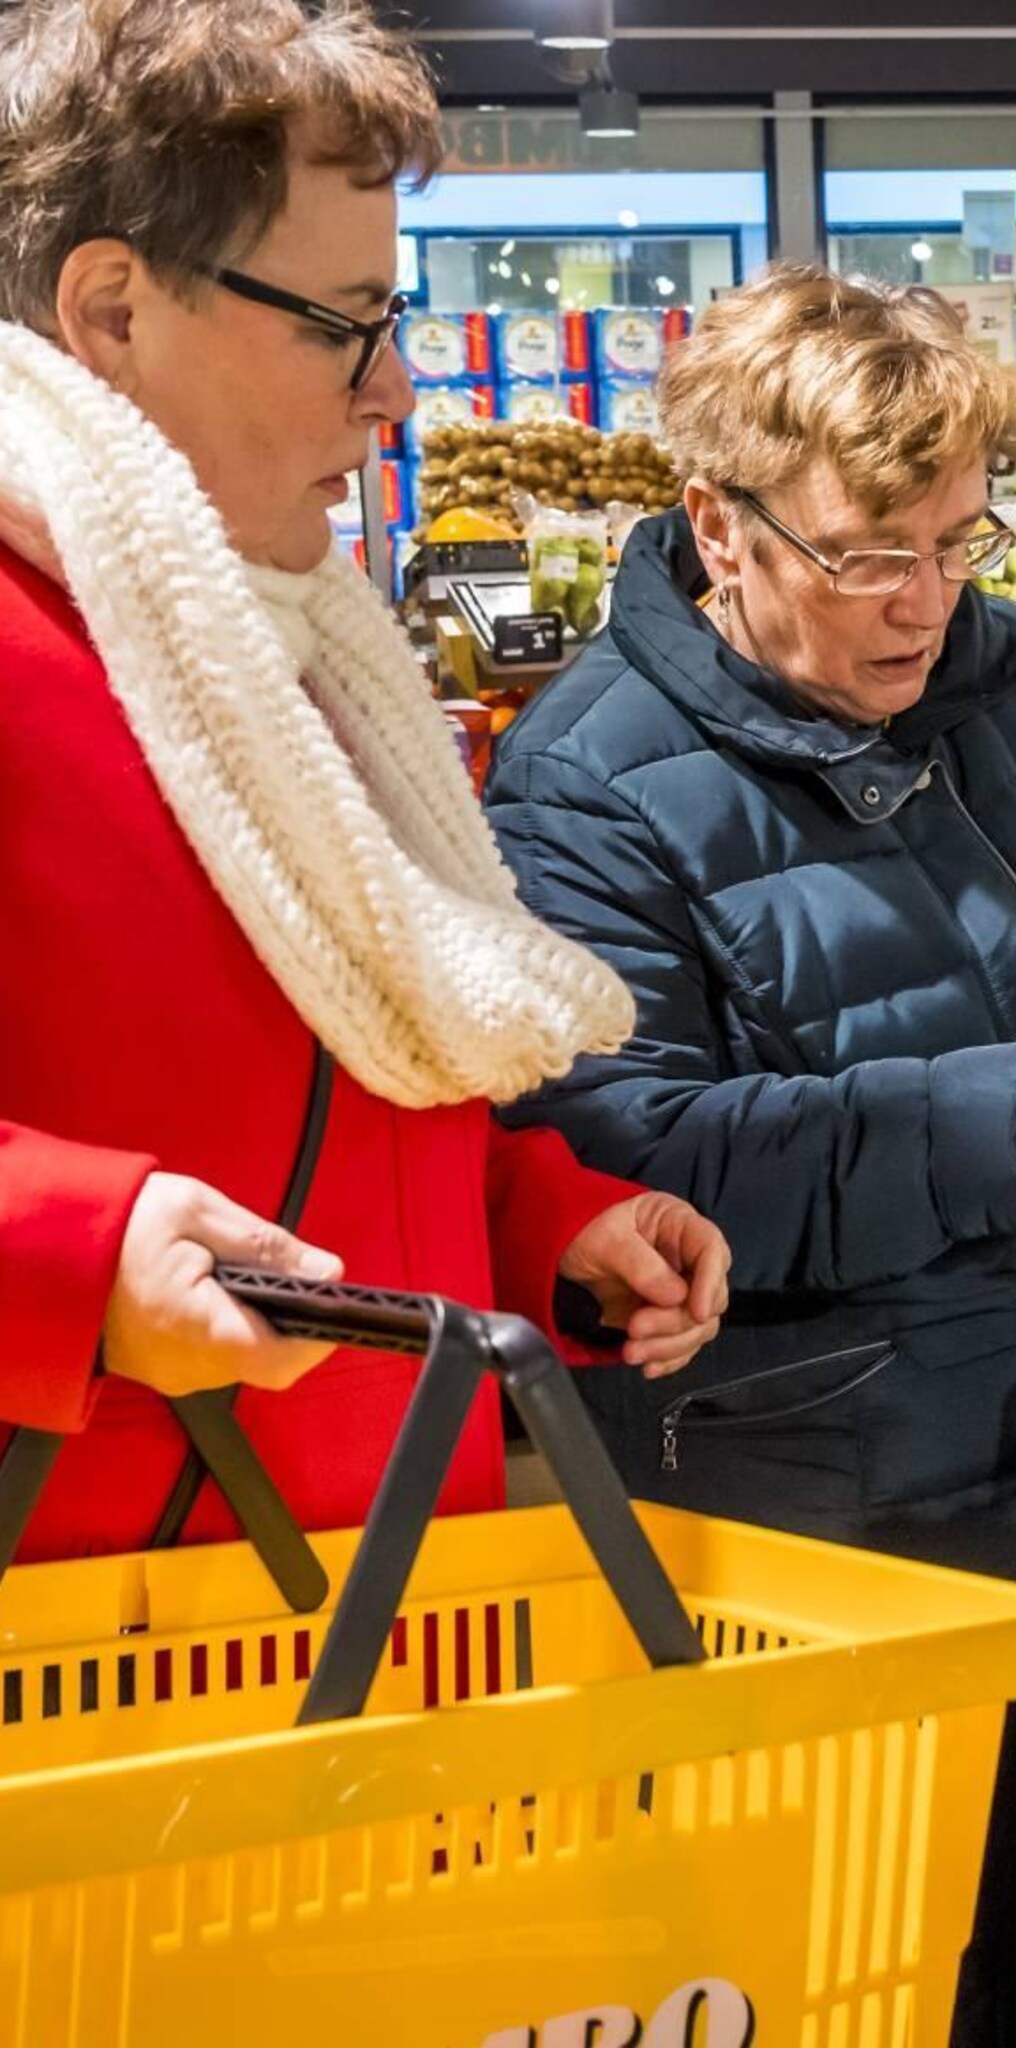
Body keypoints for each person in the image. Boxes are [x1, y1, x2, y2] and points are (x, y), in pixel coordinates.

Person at [484, 266, 1016, 2045]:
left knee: (1014, 1946)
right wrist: (999, 1123)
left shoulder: (1000, 672)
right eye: (868, 552)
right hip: (798, 1513)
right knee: (823, 1970)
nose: (921, 599)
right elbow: (622, 1147)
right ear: (717, 518)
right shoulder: (584, 783)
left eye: (956, 539)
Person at [0, 0, 732, 1564]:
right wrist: (73, 1253)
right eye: (343, 322)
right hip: (107, 1668)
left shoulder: (284, 651)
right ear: (113, 310)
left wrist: (540, 1221)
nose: (394, 391)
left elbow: (331, 1078)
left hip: (388, 1616)